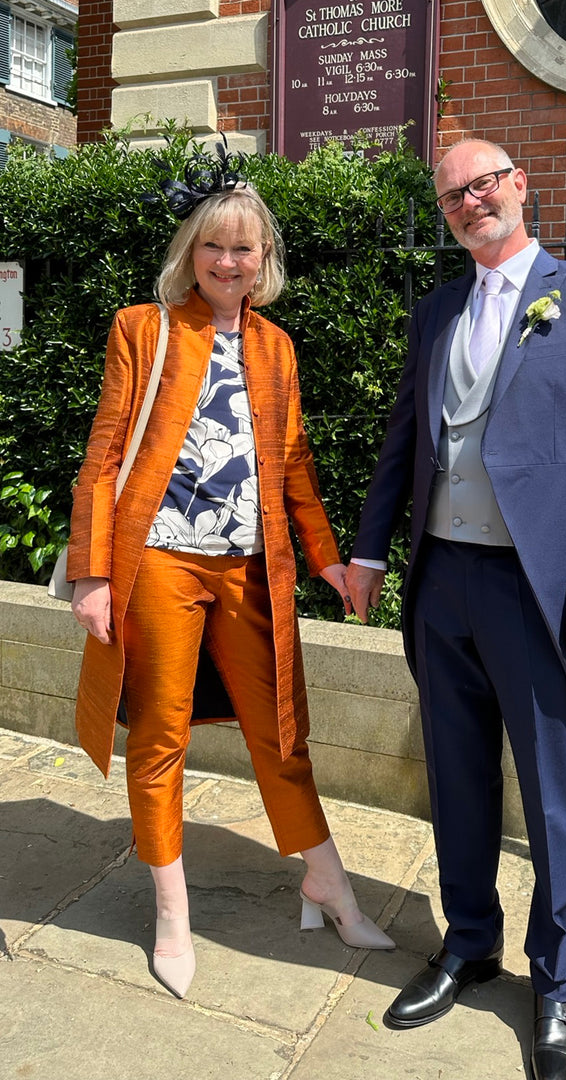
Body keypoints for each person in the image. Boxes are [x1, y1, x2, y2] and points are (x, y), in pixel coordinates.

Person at [346, 139, 566, 1080]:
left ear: (521, 185)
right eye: (452, 195)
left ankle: (560, 984)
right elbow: (408, 439)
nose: (471, 201)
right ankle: (470, 942)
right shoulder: (437, 308)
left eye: (484, 183)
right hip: (443, 582)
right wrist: (367, 549)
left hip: (539, 590)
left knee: (555, 795)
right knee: (457, 775)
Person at [66, 147, 394, 1000]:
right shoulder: (143, 328)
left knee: (282, 732)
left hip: (251, 570)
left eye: (244, 248)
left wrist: (329, 561)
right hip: (161, 562)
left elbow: (291, 465)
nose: (227, 261)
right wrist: (92, 574)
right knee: (162, 735)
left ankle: (326, 883)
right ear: (191, 251)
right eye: (213, 245)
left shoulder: (276, 347)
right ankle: (172, 914)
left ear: (264, 261)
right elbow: (103, 459)